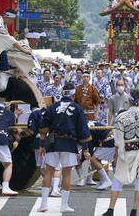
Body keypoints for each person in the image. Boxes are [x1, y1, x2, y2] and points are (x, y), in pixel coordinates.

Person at [38, 83, 92, 214]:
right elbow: (83, 131)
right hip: (69, 143)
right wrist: (85, 149)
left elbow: (44, 127)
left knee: (49, 172)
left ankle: (43, 204)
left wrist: (41, 145)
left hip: (54, 142)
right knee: (66, 174)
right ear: (73, 95)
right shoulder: (77, 109)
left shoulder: (53, 107)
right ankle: (64, 205)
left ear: (62, 94)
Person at [101, 89, 139, 216]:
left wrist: (117, 154)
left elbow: (118, 140)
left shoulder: (121, 117)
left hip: (125, 150)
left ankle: (111, 210)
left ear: (129, 100)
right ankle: (134, 211)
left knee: (117, 180)